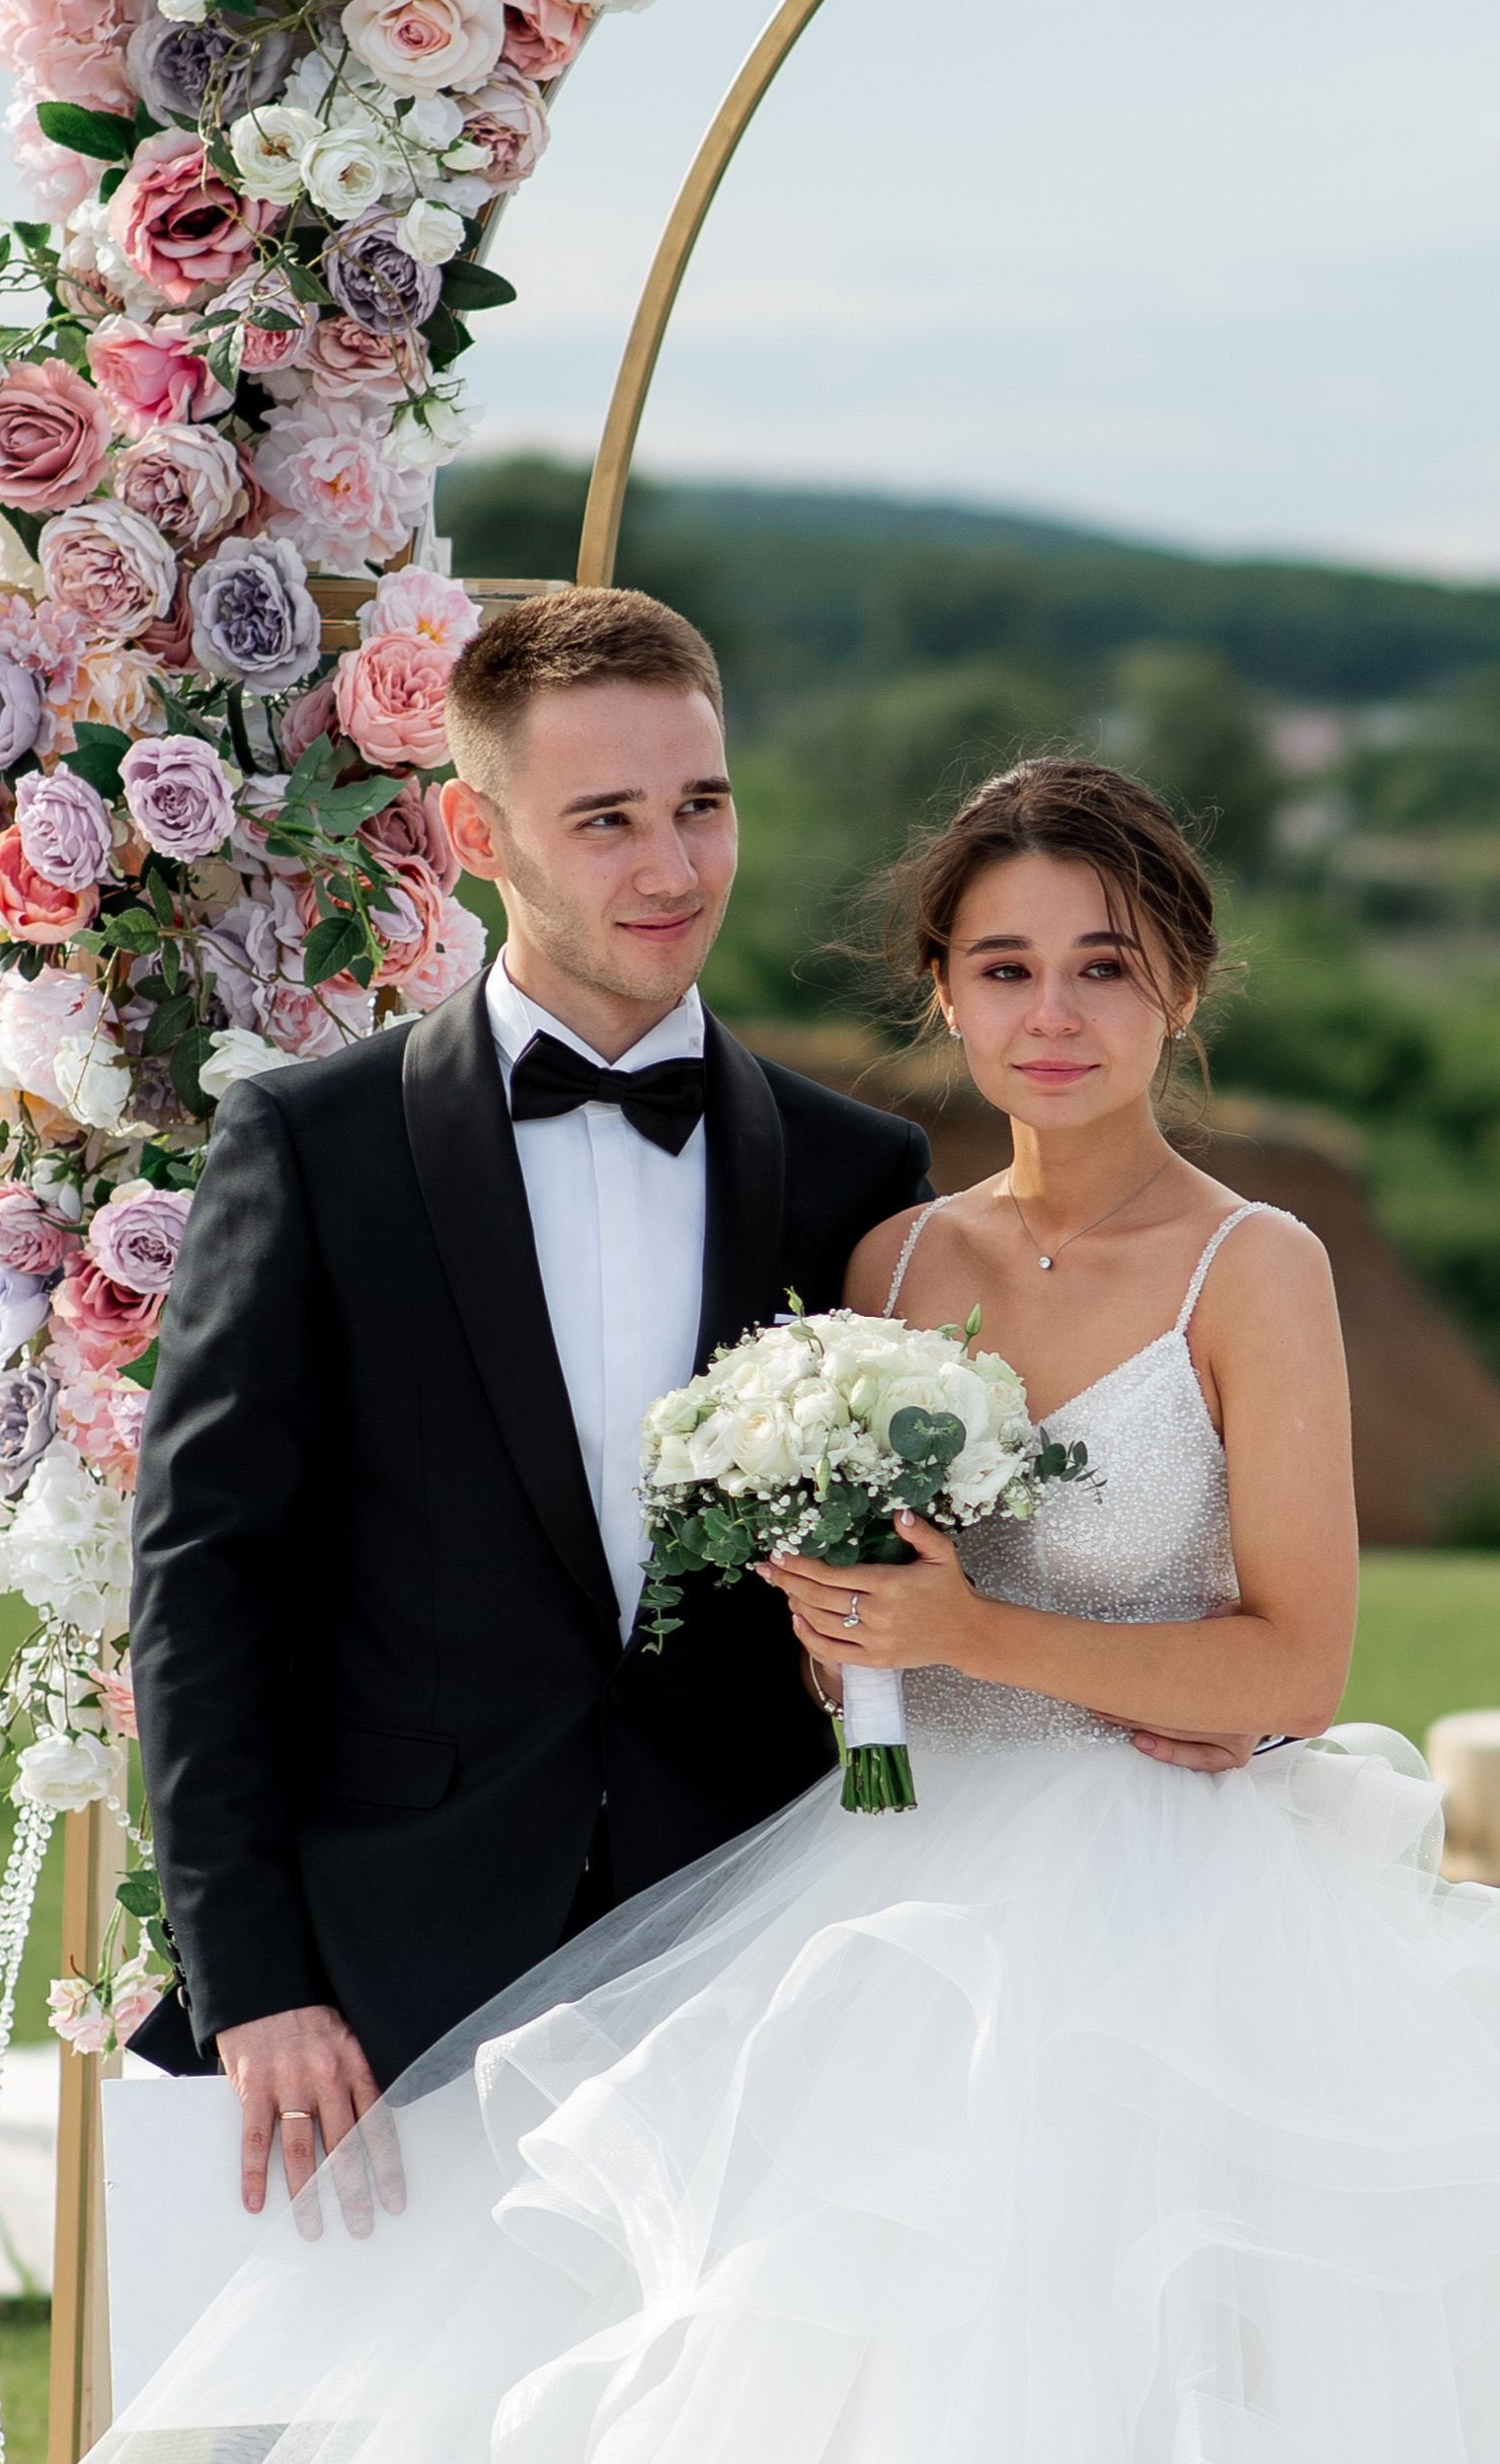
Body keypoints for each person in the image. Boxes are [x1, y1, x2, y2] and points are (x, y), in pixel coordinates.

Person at [102, 753, 1500, 2464]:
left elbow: (1296, 1666)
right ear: (942, 993)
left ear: (1180, 990)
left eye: (1105, 964)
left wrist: (972, 1639)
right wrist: (839, 1646)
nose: (1055, 1015)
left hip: (1171, 1926)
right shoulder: (888, 1263)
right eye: (1005, 968)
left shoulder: (1254, 1266)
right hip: (876, 1899)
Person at [126, 585, 943, 2205]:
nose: (671, 869)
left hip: (753, 1957)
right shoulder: (314, 1148)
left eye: (701, 807)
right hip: (392, 1983)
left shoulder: (862, 1172)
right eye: (607, 820)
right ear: (472, 830)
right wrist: (258, 1977)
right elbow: (205, 1578)